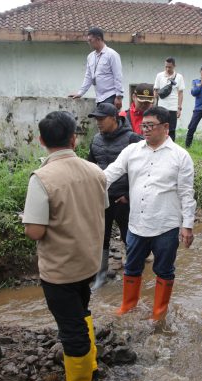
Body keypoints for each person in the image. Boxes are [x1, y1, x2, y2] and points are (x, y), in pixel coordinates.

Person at [23, 111, 107, 381]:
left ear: (42, 140)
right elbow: (99, 207)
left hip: (60, 269)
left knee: (70, 327)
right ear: (73, 138)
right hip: (88, 262)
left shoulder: (42, 178)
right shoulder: (96, 172)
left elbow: (34, 231)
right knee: (81, 311)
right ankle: (91, 363)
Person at [104, 106, 196, 321]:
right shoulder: (132, 151)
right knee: (132, 266)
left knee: (164, 270)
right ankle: (127, 306)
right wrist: (85, 181)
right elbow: (110, 174)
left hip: (166, 224)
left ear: (165, 127)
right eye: (143, 125)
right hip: (137, 223)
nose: (145, 130)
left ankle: (159, 313)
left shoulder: (180, 156)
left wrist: (188, 225)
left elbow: (186, 192)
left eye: (150, 126)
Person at [87, 103, 142, 290]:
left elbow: (144, 170)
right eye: (96, 119)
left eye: (101, 119)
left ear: (114, 118)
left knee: (129, 236)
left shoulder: (132, 139)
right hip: (102, 197)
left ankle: (134, 273)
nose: (98, 123)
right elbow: (91, 167)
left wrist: (128, 195)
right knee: (101, 236)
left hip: (124, 199)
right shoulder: (95, 140)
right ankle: (100, 277)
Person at [69, 27, 124, 109]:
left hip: (111, 96)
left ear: (98, 39)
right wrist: (80, 93)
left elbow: (118, 76)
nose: (88, 42)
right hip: (99, 98)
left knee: (109, 121)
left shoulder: (112, 54)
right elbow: (88, 77)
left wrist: (119, 97)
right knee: (101, 121)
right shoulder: (90, 57)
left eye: (90, 40)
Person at [154, 57, 185, 141]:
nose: (167, 69)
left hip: (173, 107)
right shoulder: (159, 75)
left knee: (171, 130)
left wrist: (179, 108)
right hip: (161, 107)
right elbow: (156, 90)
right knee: (160, 127)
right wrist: (155, 105)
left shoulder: (179, 77)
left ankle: (171, 148)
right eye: (166, 67)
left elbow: (180, 93)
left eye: (170, 67)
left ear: (174, 66)